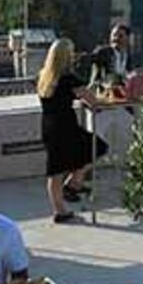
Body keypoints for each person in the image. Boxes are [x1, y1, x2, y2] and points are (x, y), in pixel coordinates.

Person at [35, 38, 107, 223]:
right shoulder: (68, 78)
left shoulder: (43, 76)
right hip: (66, 126)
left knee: (55, 170)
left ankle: (59, 210)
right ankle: (74, 183)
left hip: (48, 125)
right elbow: (93, 101)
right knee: (97, 148)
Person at [87, 23, 133, 89]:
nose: (116, 38)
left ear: (127, 38)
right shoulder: (103, 52)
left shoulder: (127, 56)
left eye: (120, 36)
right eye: (114, 35)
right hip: (102, 89)